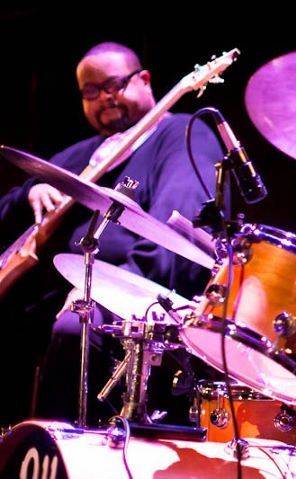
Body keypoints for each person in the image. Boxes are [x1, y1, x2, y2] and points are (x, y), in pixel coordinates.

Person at [0, 42, 223, 426]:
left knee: (75, 327)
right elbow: (7, 211)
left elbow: (175, 233)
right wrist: (30, 192)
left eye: (114, 85)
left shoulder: (181, 134)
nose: (104, 97)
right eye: (91, 91)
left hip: (129, 300)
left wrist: (105, 288)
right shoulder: (84, 154)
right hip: (46, 297)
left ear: (144, 80)